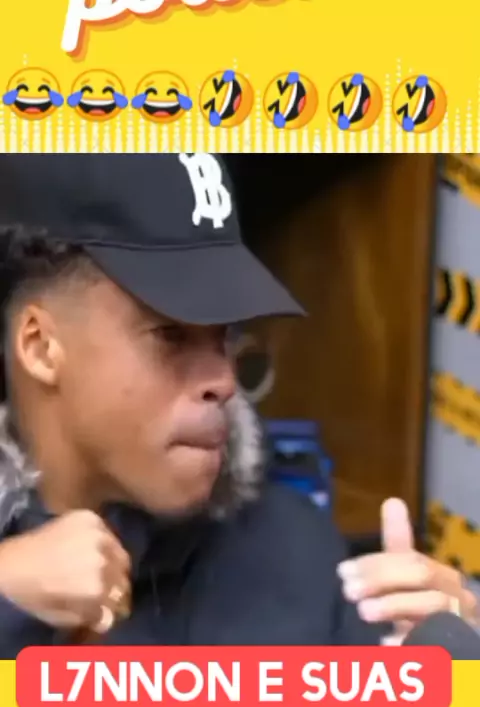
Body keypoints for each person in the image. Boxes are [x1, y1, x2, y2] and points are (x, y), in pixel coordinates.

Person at [0, 152, 474, 657]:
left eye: (223, 337)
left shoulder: (294, 550)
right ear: (40, 347)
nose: (225, 381)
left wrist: (452, 676)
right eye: (170, 335)